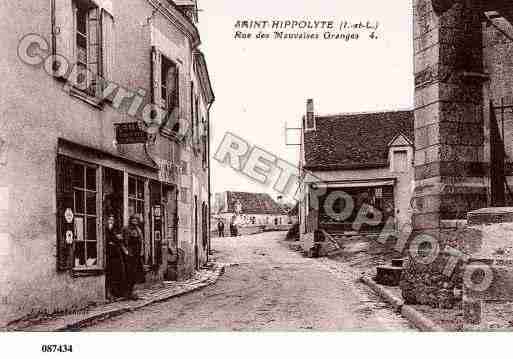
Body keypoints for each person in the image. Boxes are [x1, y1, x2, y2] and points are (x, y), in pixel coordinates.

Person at [122, 215, 145, 300]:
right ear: (130, 221)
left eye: (136, 221)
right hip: (129, 254)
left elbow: (142, 241)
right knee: (128, 273)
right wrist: (125, 251)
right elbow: (123, 242)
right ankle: (127, 293)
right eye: (133, 220)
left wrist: (142, 251)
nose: (134, 222)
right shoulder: (126, 229)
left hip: (137, 254)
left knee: (136, 273)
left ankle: (132, 292)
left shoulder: (139, 230)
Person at [105, 214, 127, 300]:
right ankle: (110, 293)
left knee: (118, 273)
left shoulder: (115, 229)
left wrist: (118, 239)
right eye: (109, 219)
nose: (111, 221)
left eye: (112, 220)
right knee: (110, 274)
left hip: (116, 254)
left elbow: (119, 240)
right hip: (109, 255)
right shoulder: (105, 229)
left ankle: (117, 293)